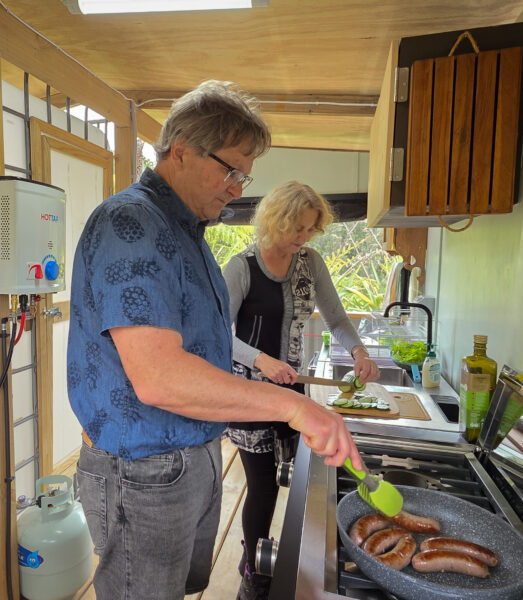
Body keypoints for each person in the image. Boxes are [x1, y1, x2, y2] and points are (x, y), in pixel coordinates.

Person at [66, 81, 363, 600]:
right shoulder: (130, 222)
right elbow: (159, 378)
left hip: (193, 452)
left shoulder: (191, 236)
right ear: (181, 150)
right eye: (231, 170)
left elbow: (208, 345)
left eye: (244, 176)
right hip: (142, 471)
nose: (236, 188)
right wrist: (294, 407)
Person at [223, 181, 380, 598]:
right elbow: (216, 333)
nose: (305, 236)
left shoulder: (311, 263)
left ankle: (280, 559)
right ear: (276, 219)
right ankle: (254, 572)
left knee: (295, 481)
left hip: (294, 395)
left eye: (311, 229)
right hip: (250, 394)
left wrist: (359, 351)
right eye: (298, 228)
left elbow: (337, 320)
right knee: (262, 485)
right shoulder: (242, 267)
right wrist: (260, 359)